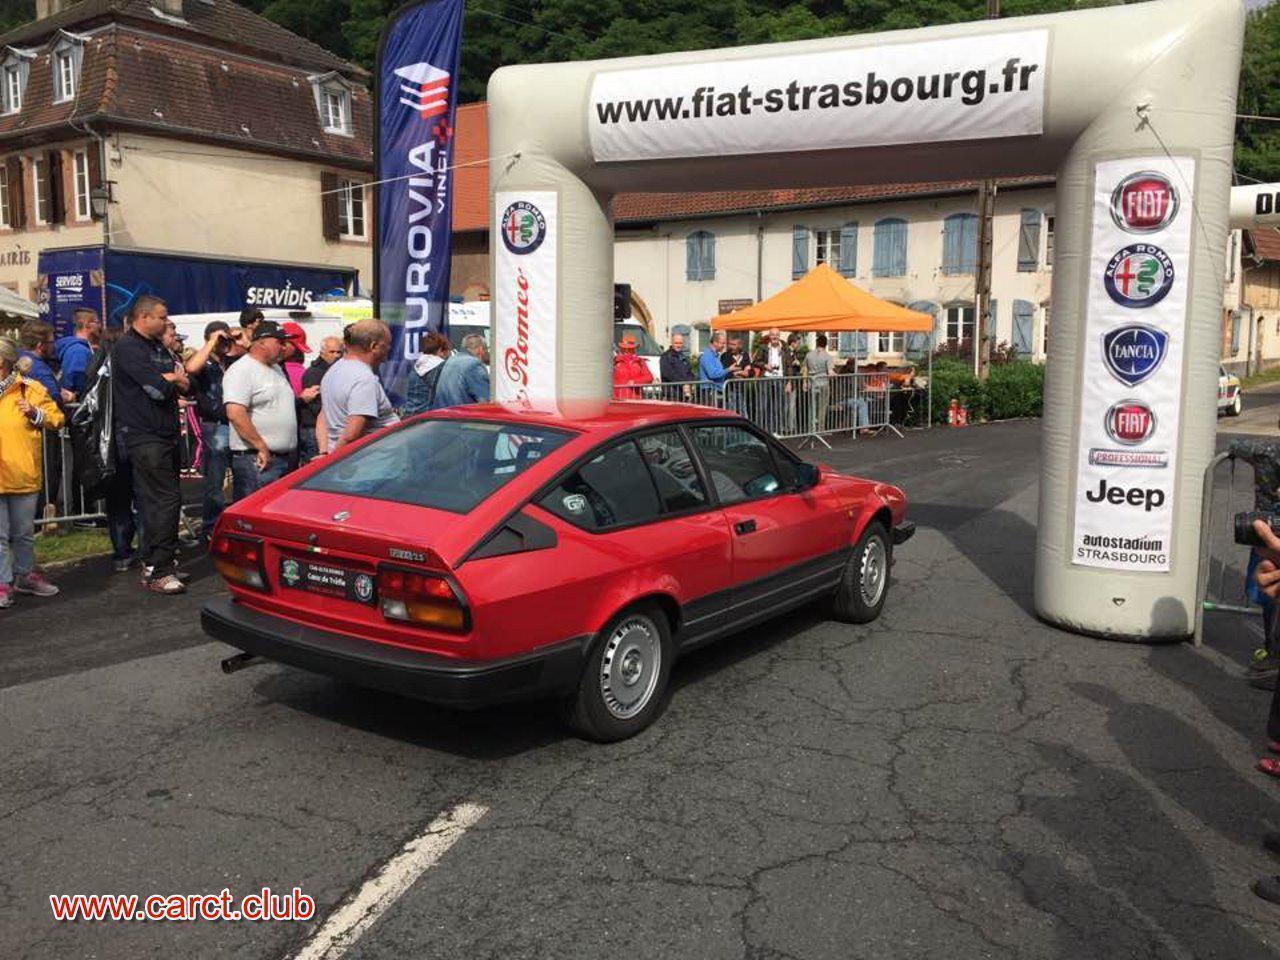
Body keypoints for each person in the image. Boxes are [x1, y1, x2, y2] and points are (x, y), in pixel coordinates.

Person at [111, 295, 189, 594]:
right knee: (162, 501)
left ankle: (159, 561)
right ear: (144, 317)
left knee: (168, 501)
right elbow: (157, 389)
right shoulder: (128, 347)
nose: (166, 322)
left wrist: (173, 379)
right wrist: (171, 380)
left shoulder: (158, 347)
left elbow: (185, 382)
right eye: (161, 317)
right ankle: (159, 569)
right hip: (144, 435)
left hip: (166, 432)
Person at [0, 337, 64, 607]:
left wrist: (35, 413)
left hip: (23, 471)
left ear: (3, 361)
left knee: (23, 532)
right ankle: (3, 583)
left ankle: (24, 575)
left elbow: (58, 417)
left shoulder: (30, 388)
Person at [222, 321, 297, 499]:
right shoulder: (242, 370)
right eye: (280, 341)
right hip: (257, 460)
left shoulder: (276, 368)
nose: (284, 347)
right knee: (254, 516)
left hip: (282, 458)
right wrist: (260, 446)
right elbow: (235, 413)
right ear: (262, 342)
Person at [185, 321, 238, 540]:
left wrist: (237, 338)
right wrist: (211, 342)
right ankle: (210, 526)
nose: (224, 343)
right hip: (215, 426)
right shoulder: (204, 362)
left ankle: (234, 525)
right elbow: (191, 368)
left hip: (235, 423)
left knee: (242, 477)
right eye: (220, 339)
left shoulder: (232, 361)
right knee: (215, 480)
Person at [320, 319, 400, 451]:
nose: (389, 348)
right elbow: (351, 435)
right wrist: (330, 461)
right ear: (373, 346)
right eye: (387, 344)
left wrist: (324, 453)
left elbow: (322, 417)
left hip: (345, 459)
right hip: (371, 462)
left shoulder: (333, 371)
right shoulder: (364, 378)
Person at [299, 335, 341, 459]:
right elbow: (316, 405)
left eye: (339, 352)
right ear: (322, 353)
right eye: (332, 352)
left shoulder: (335, 371)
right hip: (314, 429)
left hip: (326, 427)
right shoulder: (314, 373)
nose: (336, 355)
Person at [751, 328, 795, 434]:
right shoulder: (763, 347)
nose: (774, 337)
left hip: (780, 379)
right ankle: (761, 431)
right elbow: (755, 361)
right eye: (772, 335)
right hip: (766, 379)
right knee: (763, 406)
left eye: (776, 335)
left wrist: (789, 382)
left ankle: (775, 431)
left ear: (779, 336)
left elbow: (789, 366)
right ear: (769, 336)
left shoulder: (785, 348)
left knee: (779, 407)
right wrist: (765, 365)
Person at [54, 308, 103, 403]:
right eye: (97, 322)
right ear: (87, 325)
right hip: (78, 406)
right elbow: (76, 381)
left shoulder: (80, 348)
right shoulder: (79, 351)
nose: (100, 326)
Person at [433, 333, 490, 409]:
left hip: (442, 415)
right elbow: (485, 401)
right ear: (481, 349)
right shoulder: (474, 364)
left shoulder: (451, 360)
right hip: (461, 417)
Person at [17, 320, 62, 411]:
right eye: (51, 342)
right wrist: (64, 398)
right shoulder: (41, 372)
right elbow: (55, 403)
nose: (54, 346)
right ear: (41, 345)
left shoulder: (14, 358)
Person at [403, 333, 450, 416]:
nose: (448, 354)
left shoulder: (416, 367)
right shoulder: (441, 367)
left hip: (409, 418)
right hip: (426, 420)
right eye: (447, 350)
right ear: (440, 350)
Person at [803, 334, 836, 434]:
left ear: (817, 343)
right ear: (826, 344)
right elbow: (830, 372)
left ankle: (811, 429)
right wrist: (836, 374)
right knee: (822, 408)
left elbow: (804, 369)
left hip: (812, 383)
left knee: (812, 407)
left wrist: (804, 382)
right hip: (823, 384)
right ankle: (820, 429)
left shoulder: (809, 355)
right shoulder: (827, 356)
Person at [613, 335, 654, 400]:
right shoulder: (614, 362)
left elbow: (649, 377)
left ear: (634, 349)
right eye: (624, 348)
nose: (627, 351)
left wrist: (635, 382)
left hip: (635, 399)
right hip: (618, 399)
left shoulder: (640, 362)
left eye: (630, 348)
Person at [659, 332, 694, 401]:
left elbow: (690, 373)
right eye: (676, 343)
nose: (678, 345)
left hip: (684, 394)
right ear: (671, 343)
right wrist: (683, 384)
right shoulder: (666, 357)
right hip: (671, 394)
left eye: (680, 343)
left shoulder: (684, 357)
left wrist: (689, 384)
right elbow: (668, 374)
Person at [700, 331, 731, 397]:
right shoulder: (707, 356)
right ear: (715, 343)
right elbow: (713, 374)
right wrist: (728, 369)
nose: (723, 346)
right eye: (722, 343)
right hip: (710, 392)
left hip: (716, 390)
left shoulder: (715, 356)